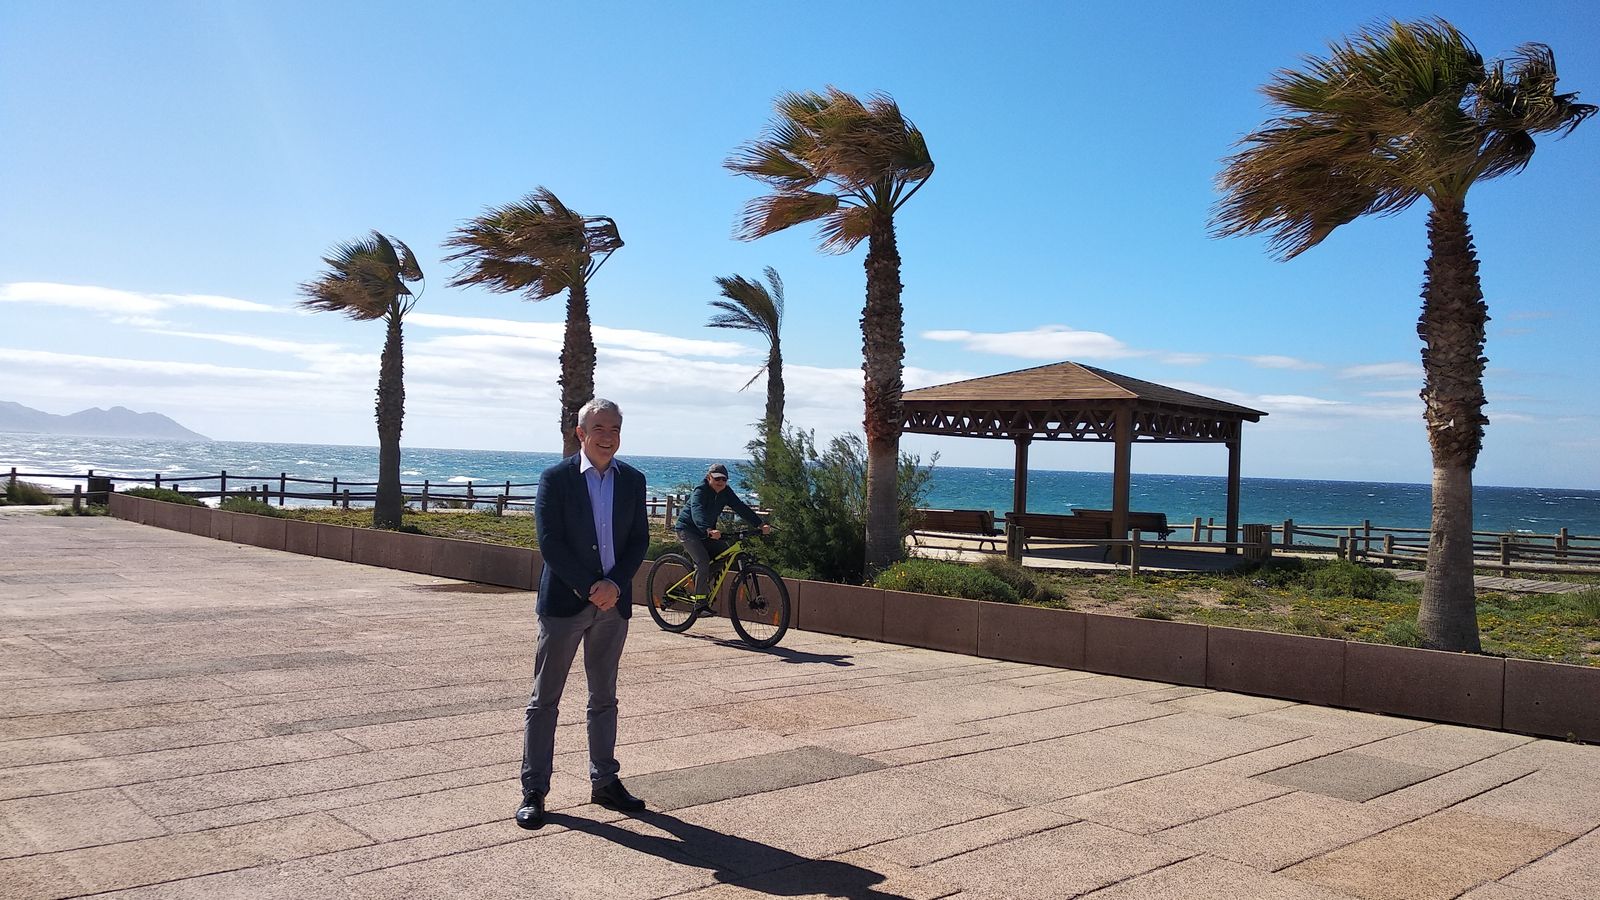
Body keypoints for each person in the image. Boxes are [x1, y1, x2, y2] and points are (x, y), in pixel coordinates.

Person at [516, 398, 649, 830]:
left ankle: (605, 781)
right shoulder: (555, 478)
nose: (607, 435)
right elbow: (549, 541)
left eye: (615, 428)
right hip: (565, 605)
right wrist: (590, 587)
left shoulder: (633, 480)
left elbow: (639, 542)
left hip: (614, 606)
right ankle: (534, 790)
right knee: (545, 699)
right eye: (599, 427)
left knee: (604, 697)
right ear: (580, 433)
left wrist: (615, 585)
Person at [675, 463, 769, 602]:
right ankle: (700, 602)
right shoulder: (700, 491)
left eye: (724, 479)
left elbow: (741, 508)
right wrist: (708, 529)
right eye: (717, 479)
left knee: (725, 554)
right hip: (688, 530)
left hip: (707, 532)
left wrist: (760, 524)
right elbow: (697, 510)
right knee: (703, 561)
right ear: (709, 477)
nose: (720, 482)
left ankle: (698, 582)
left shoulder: (726, 492)